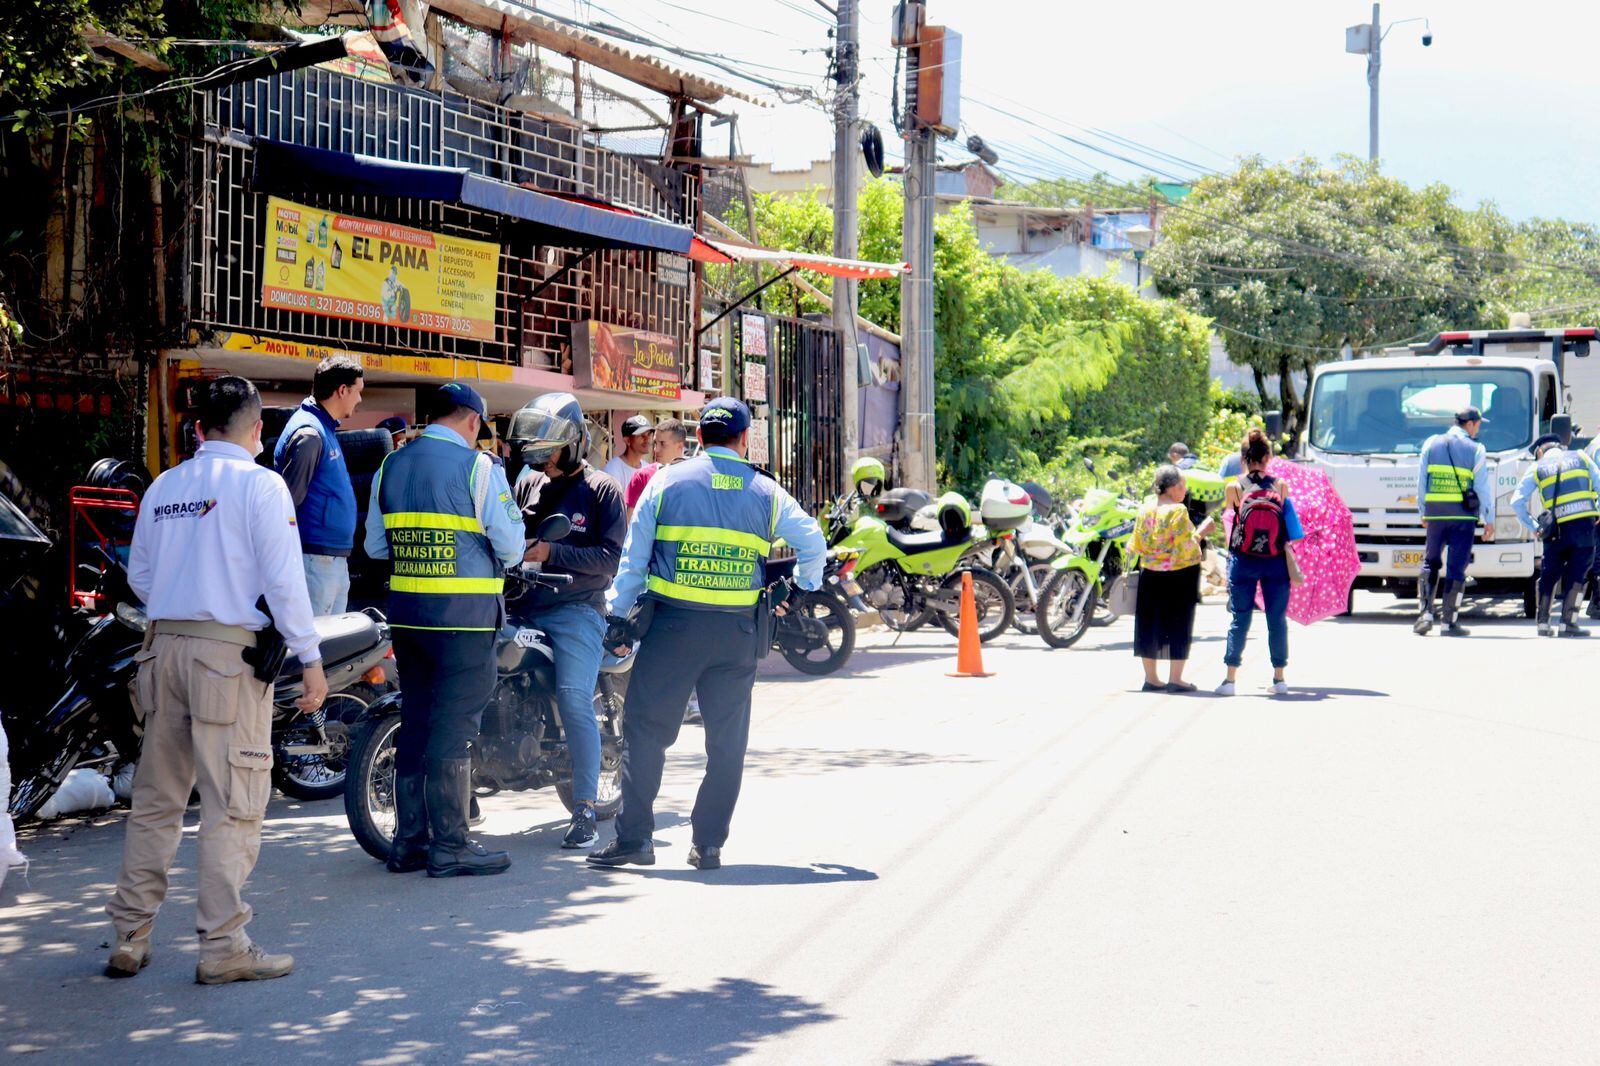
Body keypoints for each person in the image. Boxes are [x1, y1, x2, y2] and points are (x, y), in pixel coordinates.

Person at [107, 376, 327, 985]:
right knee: (232, 806)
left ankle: (129, 935)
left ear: (199, 428)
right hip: (224, 660)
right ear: (257, 430)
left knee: (156, 802)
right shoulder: (261, 485)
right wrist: (310, 659)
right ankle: (224, 944)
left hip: (161, 652)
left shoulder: (165, 486)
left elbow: (142, 577)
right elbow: (285, 583)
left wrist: (186, 604)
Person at [589, 398, 826, 871]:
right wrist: (800, 588)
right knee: (726, 743)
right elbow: (813, 542)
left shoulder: (666, 480)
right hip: (737, 633)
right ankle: (709, 844)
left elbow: (635, 561)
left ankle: (636, 840)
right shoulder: (766, 491)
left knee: (645, 733)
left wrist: (615, 615)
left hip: (673, 629)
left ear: (699, 437)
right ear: (743, 440)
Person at [365, 382, 525, 878]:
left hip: (408, 619)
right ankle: (451, 845)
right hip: (465, 620)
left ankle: (409, 843)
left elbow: (374, 546)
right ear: (474, 422)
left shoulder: (391, 464)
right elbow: (513, 545)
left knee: (416, 722)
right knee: (454, 730)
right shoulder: (479, 468)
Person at [506, 393, 625, 848]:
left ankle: (585, 809)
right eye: (538, 452)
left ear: (575, 443)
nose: (544, 460)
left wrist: (552, 550)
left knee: (575, 696)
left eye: (551, 450)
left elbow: (608, 559)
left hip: (576, 608)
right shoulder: (528, 483)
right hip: (521, 604)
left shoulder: (602, 491)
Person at [274, 355, 365, 615]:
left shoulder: (323, 428)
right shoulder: (310, 434)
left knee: (332, 648)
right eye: (358, 392)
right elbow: (287, 503)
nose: (359, 400)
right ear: (342, 390)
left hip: (329, 561)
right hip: (315, 561)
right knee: (316, 645)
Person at [1218, 428, 1301, 696]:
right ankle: (1279, 679)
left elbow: (1232, 519)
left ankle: (1230, 680)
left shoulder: (1234, 486)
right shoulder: (1280, 486)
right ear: (1268, 457)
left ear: (1244, 458)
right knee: (1276, 619)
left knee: (1239, 618)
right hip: (1275, 559)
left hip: (1243, 559)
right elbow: (1286, 521)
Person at [1414, 407, 1494, 637]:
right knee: (1456, 568)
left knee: (1430, 562)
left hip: (1436, 514)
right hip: (1463, 518)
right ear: (1469, 424)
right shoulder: (1476, 449)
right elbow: (1482, 488)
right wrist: (1488, 519)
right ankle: (1449, 623)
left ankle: (1425, 614)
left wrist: (1423, 511)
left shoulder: (1431, 443)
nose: (1478, 429)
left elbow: (1422, 479)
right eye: (1478, 424)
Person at [1511, 434, 1600, 636]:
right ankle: (1568, 623)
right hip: (1584, 526)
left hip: (1555, 530)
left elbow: (1516, 501)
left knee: (1549, 574)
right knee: (1578, 574)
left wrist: (1533, 525)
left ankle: (1543, 623)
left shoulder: (1537, 467)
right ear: (1561, 446)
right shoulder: (1581, 457)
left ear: (1540, 452)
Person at [1129, 466, 1209, 693]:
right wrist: (1202, 532)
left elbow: (1135, 545)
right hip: (1178, 574)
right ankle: (1176, 678)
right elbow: (1186, 548)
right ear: (1173, 488)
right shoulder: (1177, 511)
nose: (1185, 490)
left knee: (1148, 624)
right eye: (1183, 486)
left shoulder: (1145, 509)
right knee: (1179, 622)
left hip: (1149, 574)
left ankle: (1151, 678)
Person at [624, 417, 690, 517]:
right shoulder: (643, 476)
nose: (656, 449)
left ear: (680, 447)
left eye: (662, 444)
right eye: (655, 443)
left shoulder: (694, 476)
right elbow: (630, 522)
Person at [601, 414, 654, 487]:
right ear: (628, 440)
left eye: (649, 434)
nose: (647, 439)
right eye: (641, 435)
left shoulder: (648, 468)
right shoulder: (613, 469)